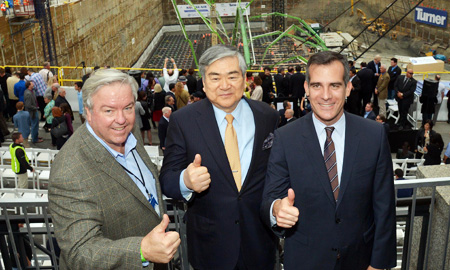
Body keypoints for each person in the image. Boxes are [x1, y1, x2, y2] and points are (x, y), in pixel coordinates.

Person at [262, 51, 396, 270]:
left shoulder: (374, 135)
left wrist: (378, 264)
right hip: (305, 261)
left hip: (360, 261)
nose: (326, 95)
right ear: (306, 89)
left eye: (334, 85)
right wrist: (277, 209)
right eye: (317, 86)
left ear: (348, 88)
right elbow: (269, 197)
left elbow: (384, 206)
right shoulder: (285, 138)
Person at [160, 44, 278, 270]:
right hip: (210, 246)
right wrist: (186, 180)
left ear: (245, 80)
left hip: (259, 242)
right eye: (215, 78)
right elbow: (167, 179)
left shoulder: (267, 117)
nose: (225, 85)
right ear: (204, 83)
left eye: (232, 76)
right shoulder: (183, 121)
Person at [48, 68, 180, 269]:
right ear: (88, 113)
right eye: (108, 110)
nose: (121, 119)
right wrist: (142, 251)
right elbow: (80, 253)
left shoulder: (126, 129)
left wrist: (184, 181)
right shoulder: (69, 171)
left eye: (128, 107)